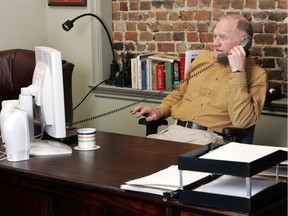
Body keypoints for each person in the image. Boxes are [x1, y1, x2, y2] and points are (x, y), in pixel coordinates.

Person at [130, 14, 267, 145]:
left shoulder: (257, 75)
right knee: (137, 155)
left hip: (211, 139)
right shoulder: (202, 60)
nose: (215, 43)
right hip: (174, 131)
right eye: (215, 36)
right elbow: (180, 93)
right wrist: (160, 111)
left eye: (223, 37)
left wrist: (238, 71)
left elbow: (243, 121)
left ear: (244, 42)